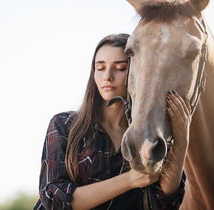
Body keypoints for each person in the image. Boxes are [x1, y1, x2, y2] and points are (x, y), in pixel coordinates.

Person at [34, 34, 189, 210]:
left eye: (120, 68)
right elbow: (54, 199)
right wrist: (130, 180)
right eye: (100, 68)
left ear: (138, 72)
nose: (107, 76)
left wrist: (182, 138)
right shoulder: (64, 125)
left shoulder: (150, 134)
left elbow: (167, 202)